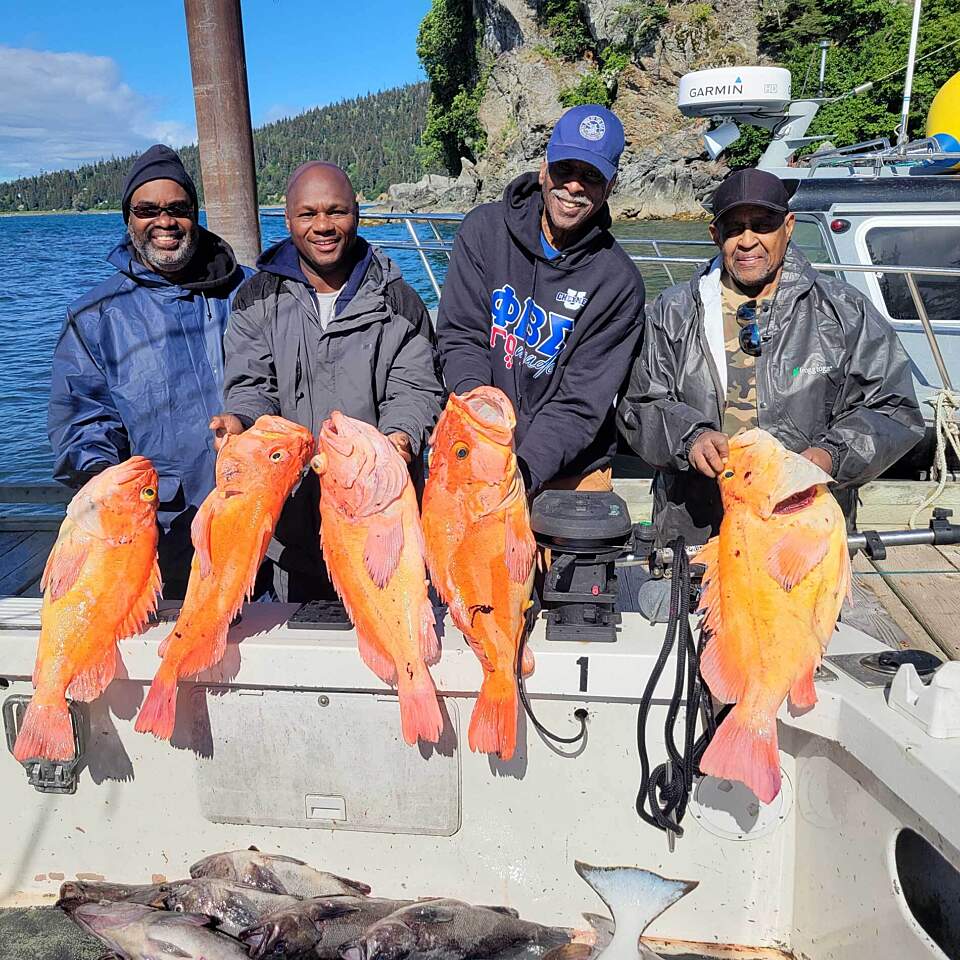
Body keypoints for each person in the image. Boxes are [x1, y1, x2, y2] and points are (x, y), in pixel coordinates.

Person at [617, 167, 925, 546]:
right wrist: (690, 437)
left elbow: (893, 409)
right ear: (715, 236)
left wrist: (830, 456)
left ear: (788, 226)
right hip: (696, 527)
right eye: (734, 228)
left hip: (804, 527)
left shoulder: (844, 311)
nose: (748, 241)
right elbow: (640, 404)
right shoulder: (673, 310)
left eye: (762, 225)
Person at [212, 161, 444, 602]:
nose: (323, 226)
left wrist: (402, 436)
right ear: (288, 220)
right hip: (293, 527)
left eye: (336, 212)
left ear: (357, 213)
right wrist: (242, 422)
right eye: (308, 214)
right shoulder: (256, 298)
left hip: (378, 525)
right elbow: (250, 384)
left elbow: (417, 386)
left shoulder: (399, 299)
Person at [48, 144, 250, 597]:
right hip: (161, 534)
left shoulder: (249, 290)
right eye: (147, 209)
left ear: (195, 216)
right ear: (128, 219)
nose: (164, 221)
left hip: (257, 518)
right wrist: (107, 482)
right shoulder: (95, 316)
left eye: (178, 209)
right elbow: (83, 424)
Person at [436, 104, 645, 495]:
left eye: (591, 176)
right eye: (565, 169)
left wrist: (521, 475)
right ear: (544, 168)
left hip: (569, 467)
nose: (574, 186)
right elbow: (461, 334)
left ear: (610, 186)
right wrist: (481, 417)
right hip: (480, 440)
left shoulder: (619, 283)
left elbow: (581, 404)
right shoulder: (484, 230)